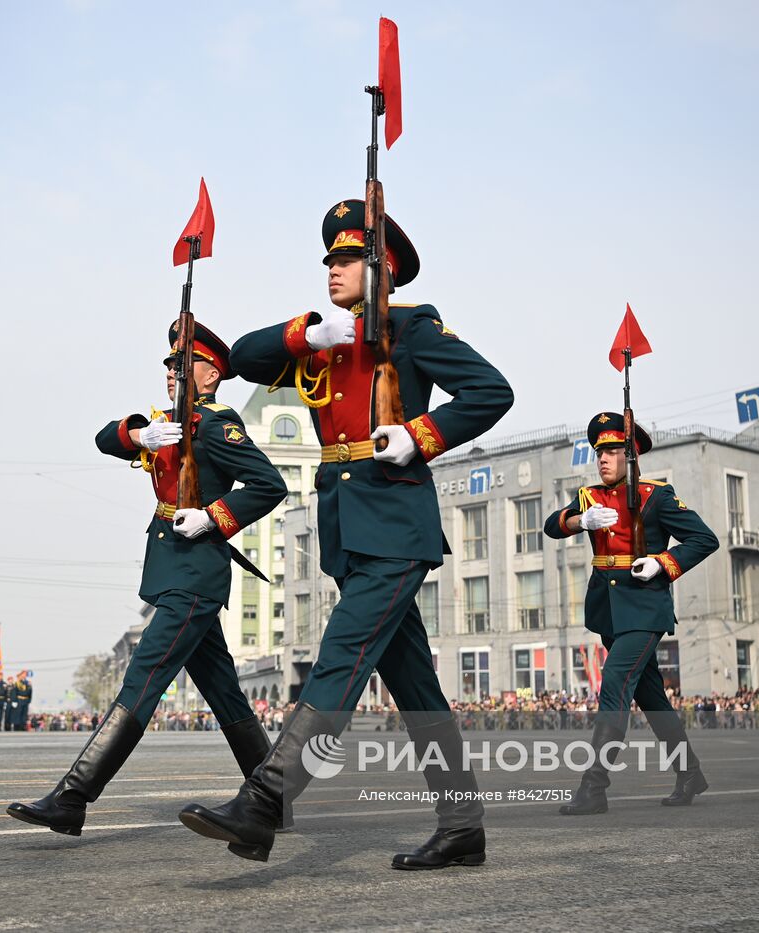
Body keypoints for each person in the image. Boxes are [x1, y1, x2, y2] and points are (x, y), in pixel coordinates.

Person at [178, 201, 513, 869]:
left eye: (347, 259)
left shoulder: (412, 328)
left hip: (395, 522)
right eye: (328, 259)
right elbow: (241, 356)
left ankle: (266, 799)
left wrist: (420, 436)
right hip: (349, 531)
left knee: (340, 657)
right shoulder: (323, 339)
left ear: (381, 267)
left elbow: (490, 390)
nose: (332, 269)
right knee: (416, 686)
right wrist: (310, 334)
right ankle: (464, 825)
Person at [6, 321, 289, 836]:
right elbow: (101, 439)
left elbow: (269, 484)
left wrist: (215, 516)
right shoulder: (171, 425)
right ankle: (278, 797)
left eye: (182, 365)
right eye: (168, 365)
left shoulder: (217, 426)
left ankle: (72, 797)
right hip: (174, 569)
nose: (170, 372)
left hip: (196, 572)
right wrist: (141, 434)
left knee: (143, 677)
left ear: (210, 375)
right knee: (226, 694)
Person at [543, 413, 720, 814]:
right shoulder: (589, 497)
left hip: (645, 607)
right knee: (652, 698)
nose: (602, 459)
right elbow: (552, 527)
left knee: (616, 681)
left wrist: (662, 563)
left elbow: (704, 539)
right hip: (609, 611)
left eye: (612, 452)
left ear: (632, 456)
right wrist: (578, 521)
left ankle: (594, 787)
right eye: (599, 452)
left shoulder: (657, 496)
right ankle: (690, 772)